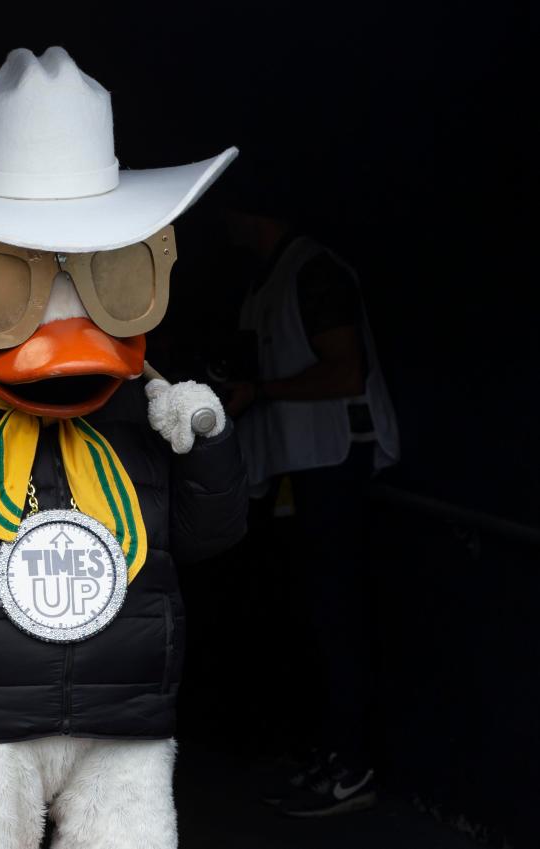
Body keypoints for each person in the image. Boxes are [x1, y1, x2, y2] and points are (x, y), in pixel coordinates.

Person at [0, 47, 246, 848]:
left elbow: (209, 537)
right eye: (8, 282)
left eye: (105, 278)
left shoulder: (143, 403)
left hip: (121, 724)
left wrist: (207, 447)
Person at [222, 205, 400, 816]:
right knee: (314, 613)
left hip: (336, 460)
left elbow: (346, 370)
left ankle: (353, 766)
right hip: (298, 466)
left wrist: (261, 392)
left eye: (230, 209)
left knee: (339, 614)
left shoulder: (314, 269)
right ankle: (332, 754)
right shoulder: (265, 279)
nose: (225, 223)